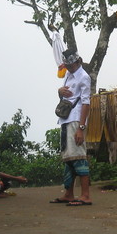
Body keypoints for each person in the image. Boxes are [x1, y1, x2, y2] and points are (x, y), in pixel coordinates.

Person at [49, 49, 92, 206]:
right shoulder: (68, 75)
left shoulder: (84, 77)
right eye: (66, 65)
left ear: (77, 62)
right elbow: (66, 95)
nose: (68, 67)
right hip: (66, 119)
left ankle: (85, 195)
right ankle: (69, 193)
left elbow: (86, 103)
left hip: (76, 120)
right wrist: (59, 91)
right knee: (69, 157)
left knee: (78, 155)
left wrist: (81, 127)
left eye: (70, 65)